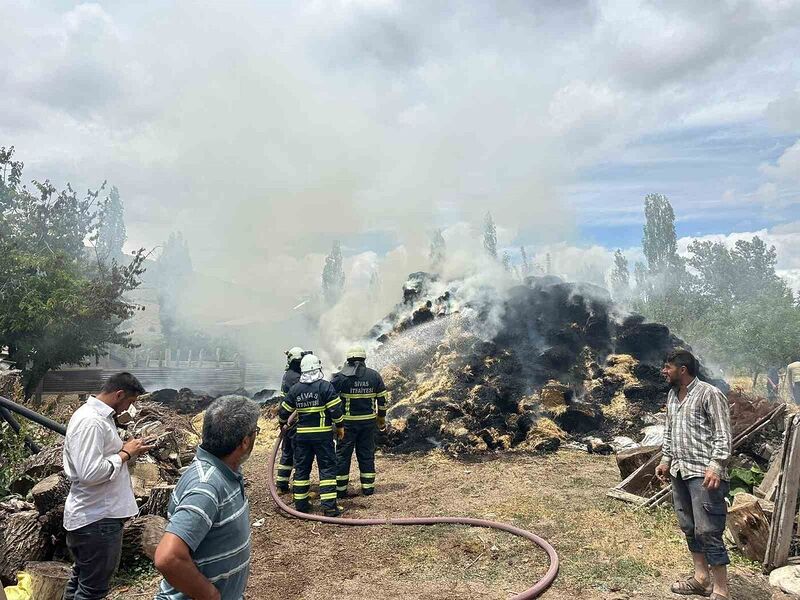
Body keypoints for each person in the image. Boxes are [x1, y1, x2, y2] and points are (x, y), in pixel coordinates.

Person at [153, 395, 260, 600]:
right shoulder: (206, 487)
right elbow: (168, 557)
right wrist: (210, 595)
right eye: (256, 432)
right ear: (245, 442)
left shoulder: (226, 471)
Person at [62, 372, 152, 600]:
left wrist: (128, 451)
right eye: (129, 402)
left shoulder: (96, 418)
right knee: (92, 591)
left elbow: (98, 460)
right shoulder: (91, 421)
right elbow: (90, 473)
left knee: (81, 584)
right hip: (96, 519)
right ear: (119, 394)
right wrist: (124, 453)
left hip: (96, 518)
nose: (128, 409)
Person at [655, 349, 732, 600]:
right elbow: (670, 431)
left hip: (703, 472)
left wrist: (716, 466)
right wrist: (666, 459)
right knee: (689, 526)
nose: (664, 372)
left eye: (667, 367)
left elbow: (723, 434)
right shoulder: (672, 395)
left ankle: (721, 589)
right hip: (679, 470)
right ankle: (701, 579)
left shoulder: (709, 394)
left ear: (683, 369)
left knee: (708, 529)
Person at [278, 354, 344, 516]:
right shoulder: (325, 387)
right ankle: (329, 507)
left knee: (301, 469)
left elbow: (283, 411)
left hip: (302, 438)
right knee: (327, 469)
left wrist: (282, 425)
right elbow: (335, 410)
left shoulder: (295, 389)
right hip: (322, 437)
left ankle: (301, 505)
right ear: (317, 368)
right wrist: (340, 426)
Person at [331, 345, 389, 498]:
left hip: (347, 425)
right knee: (366, 454)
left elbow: (329, 396)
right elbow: (382, 400)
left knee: (343, 456)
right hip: (369, 424)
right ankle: (368, 488)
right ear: (364, 359)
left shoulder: (341, 377)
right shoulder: (374, 376)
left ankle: (340, 490)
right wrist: (381, 417)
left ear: (348, 360)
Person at [275, 347, 305, 492]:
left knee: (287, 452)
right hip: (296, 421)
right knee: (298, 454)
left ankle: (282, 484)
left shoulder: (289, 374)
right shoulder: (297, 378)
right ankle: (299, 489)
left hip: (287, 420)